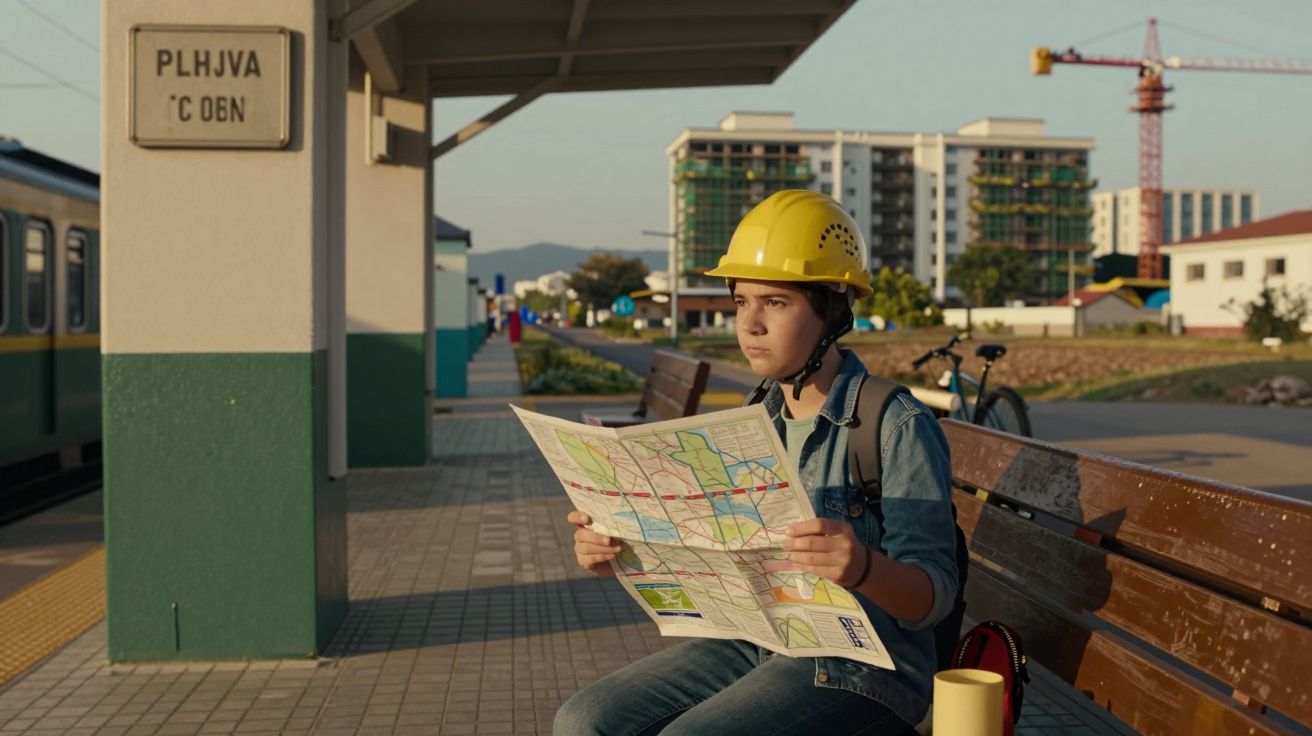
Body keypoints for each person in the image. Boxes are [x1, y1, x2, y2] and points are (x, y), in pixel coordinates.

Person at [555, 190, 959, 736]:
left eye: (775, 302)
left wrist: (862, 567)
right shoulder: (753, 418)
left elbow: (934, 596)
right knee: (582, 720)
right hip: (758, 640)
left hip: (863, 667)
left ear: (832, 308)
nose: (750, 324)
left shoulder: (895, 424)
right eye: (741, 301)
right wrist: (623, 550)